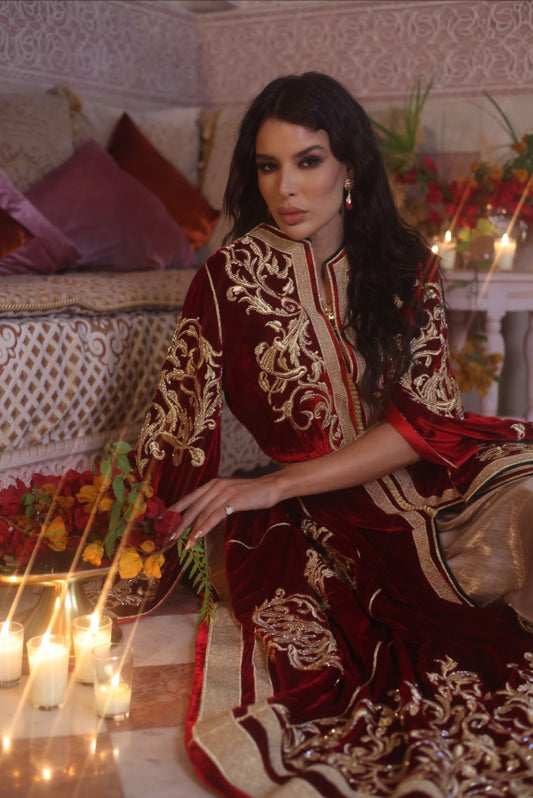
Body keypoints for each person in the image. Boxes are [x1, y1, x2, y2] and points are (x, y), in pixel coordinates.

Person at [135, 73, 533, 798]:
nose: (286, 187)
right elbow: (178, 428)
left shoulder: (404, 264)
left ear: (348, 166)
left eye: (308, 161)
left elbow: (422, 422)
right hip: (321, 517)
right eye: (268, 166)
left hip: (432, 480)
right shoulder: (226, 281)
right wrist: (143, 539)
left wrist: (275, 481)